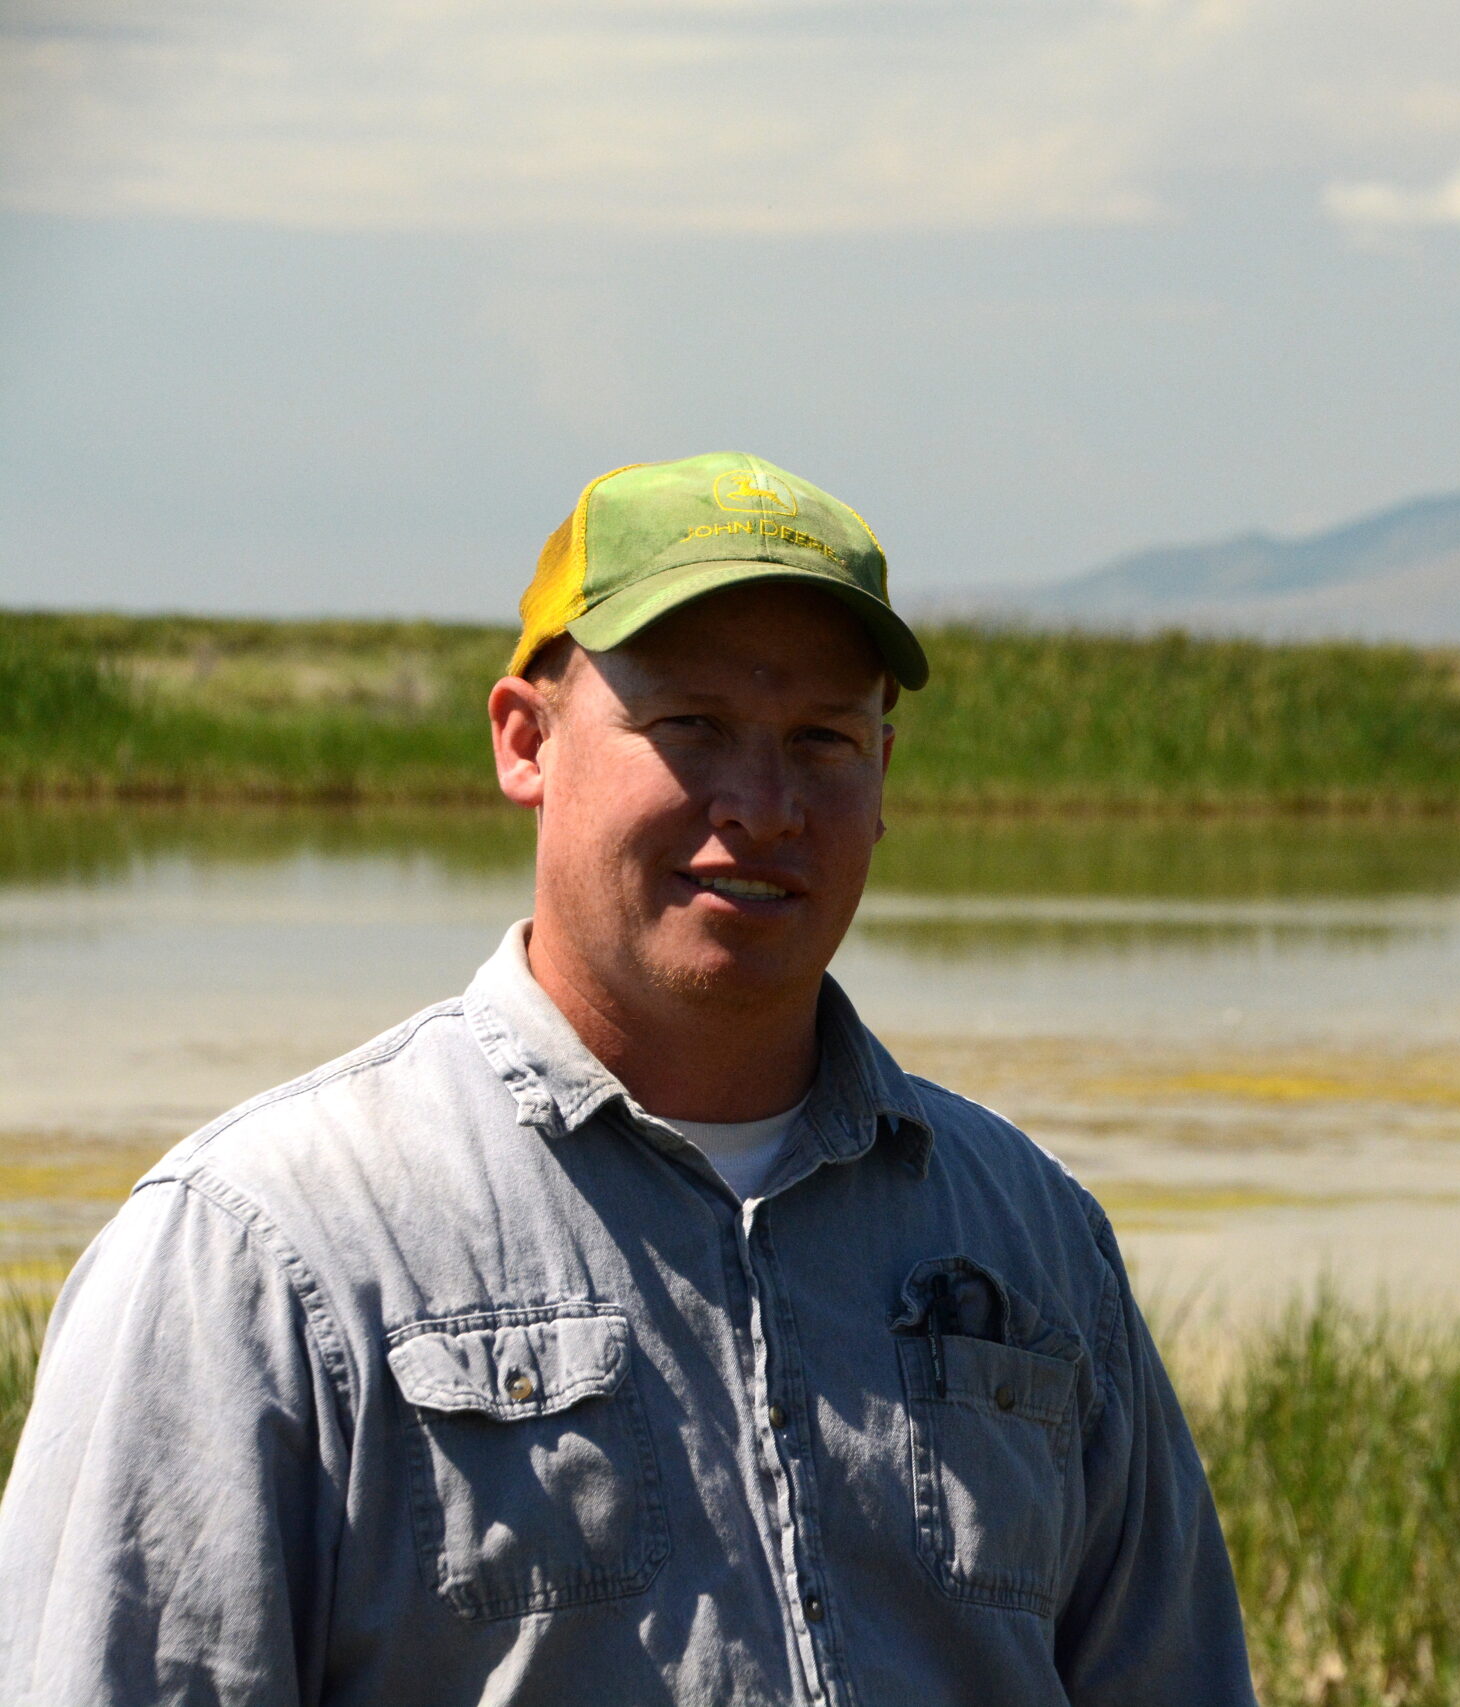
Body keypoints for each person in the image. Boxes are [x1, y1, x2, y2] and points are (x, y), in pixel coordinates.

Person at [0, 453, 1259, 1705]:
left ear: (885, 779)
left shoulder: (1033, 1238)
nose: (763, 806)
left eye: (822, 738)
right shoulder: (264, 1249)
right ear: (524, 741)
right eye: (691, 726)